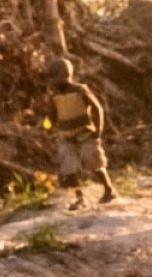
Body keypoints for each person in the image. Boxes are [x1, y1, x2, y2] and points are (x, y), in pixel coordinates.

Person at [44, 58, 114, 210]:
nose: (51, 82)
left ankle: (109, 190)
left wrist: (98, 131)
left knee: (95, 163)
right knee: (69, 170)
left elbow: (97, 109)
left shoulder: (80, 90)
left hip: (85, 134)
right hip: (66, 136)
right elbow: (51, 117)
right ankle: (79, 198)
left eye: (53, 78)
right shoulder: (54, 97)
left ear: (65, 75)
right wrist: (48, 124)